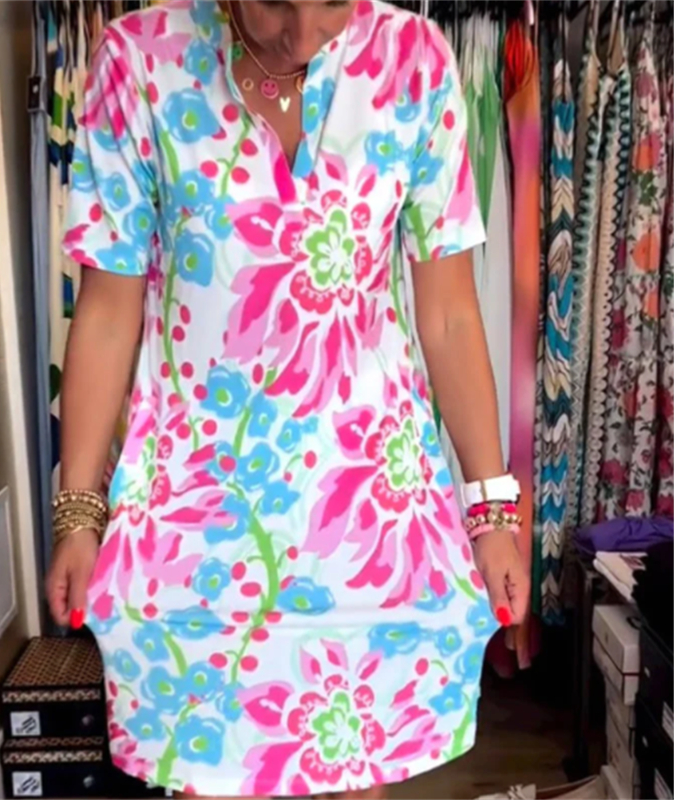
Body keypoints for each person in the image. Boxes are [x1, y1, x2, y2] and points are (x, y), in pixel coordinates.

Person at [46, 1, 530, 798]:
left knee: (355, 770)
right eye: (276, 2)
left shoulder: (414, 62)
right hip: (196, 528)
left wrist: (492, 512)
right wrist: (77, 512)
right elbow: (105, 313)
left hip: (368, 523)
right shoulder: (139, 63)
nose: (302, 34)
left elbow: (448, 313)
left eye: (330, 5)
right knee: (210, 771)